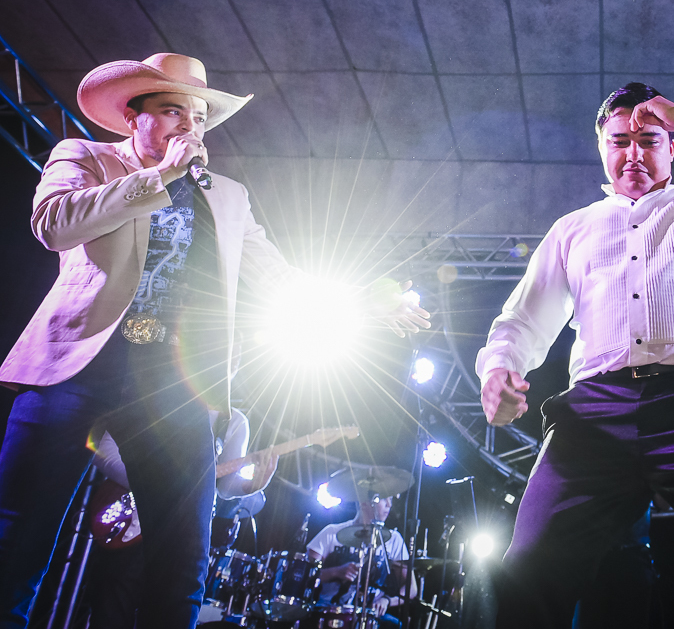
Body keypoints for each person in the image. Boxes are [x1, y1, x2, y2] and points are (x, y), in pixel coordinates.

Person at [0, 54, 429, 629]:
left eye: (199, 117)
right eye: (172, 110)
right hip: (78, 366)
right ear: (135, 118)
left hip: (173, 384)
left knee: (183, 557)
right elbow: (54, 225)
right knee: (17, 531)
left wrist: (365, 305)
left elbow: (277, 273)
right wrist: (159, 178)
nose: (188, 126)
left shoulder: (226, 195)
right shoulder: (84, 158)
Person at [476, 83, 674, 628]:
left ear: (672, 146)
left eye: (649, 139)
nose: (632, 154)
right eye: (618, 140)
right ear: (601, 146)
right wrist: (499, 369)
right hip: (596, 410)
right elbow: (523, 319)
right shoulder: (571, 230)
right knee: (529, 570)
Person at [86, 408, 278, 629]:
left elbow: (224, 486)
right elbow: (101, 447)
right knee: (111, 613)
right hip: (135, 522)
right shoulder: (160, 394)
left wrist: (252, 486)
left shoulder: (234, 421)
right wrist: (154, 486)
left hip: (185, 534)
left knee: (173, 611)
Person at [307, 495, 411, 623]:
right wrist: (336, 572)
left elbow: (411, 588)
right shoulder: (331, 532)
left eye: (391, 500)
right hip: (329, 613)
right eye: (384, 499)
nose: (389, 505)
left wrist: (387, 600)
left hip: (370, 616)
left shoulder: (394, 539)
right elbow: (304, 576)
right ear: (364, 502)